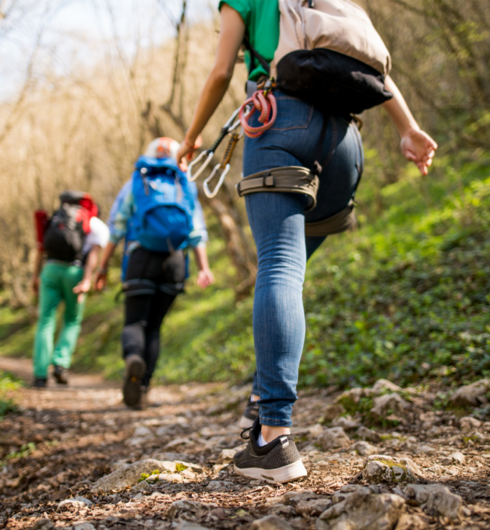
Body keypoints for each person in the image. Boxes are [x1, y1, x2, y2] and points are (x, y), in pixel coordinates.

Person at [176, 1, 437, 483]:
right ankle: (261, 396)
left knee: (279, 265)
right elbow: (373, 63)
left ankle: (272, 438)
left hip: (278, 122)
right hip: (345, 145)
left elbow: (218, 73)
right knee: (287, 269)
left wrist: (192, 137)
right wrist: (408, 127)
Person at [95, 137, 214, 410]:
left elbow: (116, 227)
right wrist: (204, 268)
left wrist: (102, 268)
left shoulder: (137, 181)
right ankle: (144, 388)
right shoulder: (185, 183)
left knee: (135, 322)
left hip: (140, 258)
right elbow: (196, 231)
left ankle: (133, 358)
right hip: (174, 262)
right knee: (155, 327)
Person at [32, 192, 109, 388]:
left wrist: (35, 276)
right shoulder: (94, 223)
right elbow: (93, 253)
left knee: (45, 321)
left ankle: (40, 374)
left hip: (50, 269)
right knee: (72, 320)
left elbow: (41, 248)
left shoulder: (56, 219)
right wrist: (86, 280)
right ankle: (60, 363)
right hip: (74, 271)